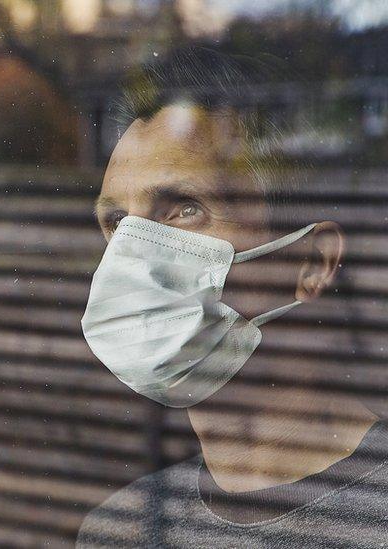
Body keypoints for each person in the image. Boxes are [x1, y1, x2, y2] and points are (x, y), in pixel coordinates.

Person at [76, 47, 388, 548]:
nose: (132, 257)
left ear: (312, 263)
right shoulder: (119, 532)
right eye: (116, 223)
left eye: (184, 210)